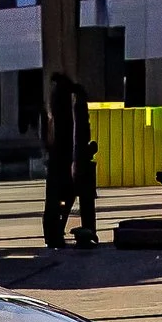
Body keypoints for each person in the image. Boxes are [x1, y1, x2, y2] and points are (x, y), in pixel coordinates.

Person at [41, 71, 99, 248]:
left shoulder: (57, 105)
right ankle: (79, 232)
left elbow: (53, 135)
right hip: (70, 160)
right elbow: (79, 132)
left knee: (59, 200)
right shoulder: (71, 103)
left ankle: (56, 234)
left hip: (64, 160)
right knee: (74, 198)